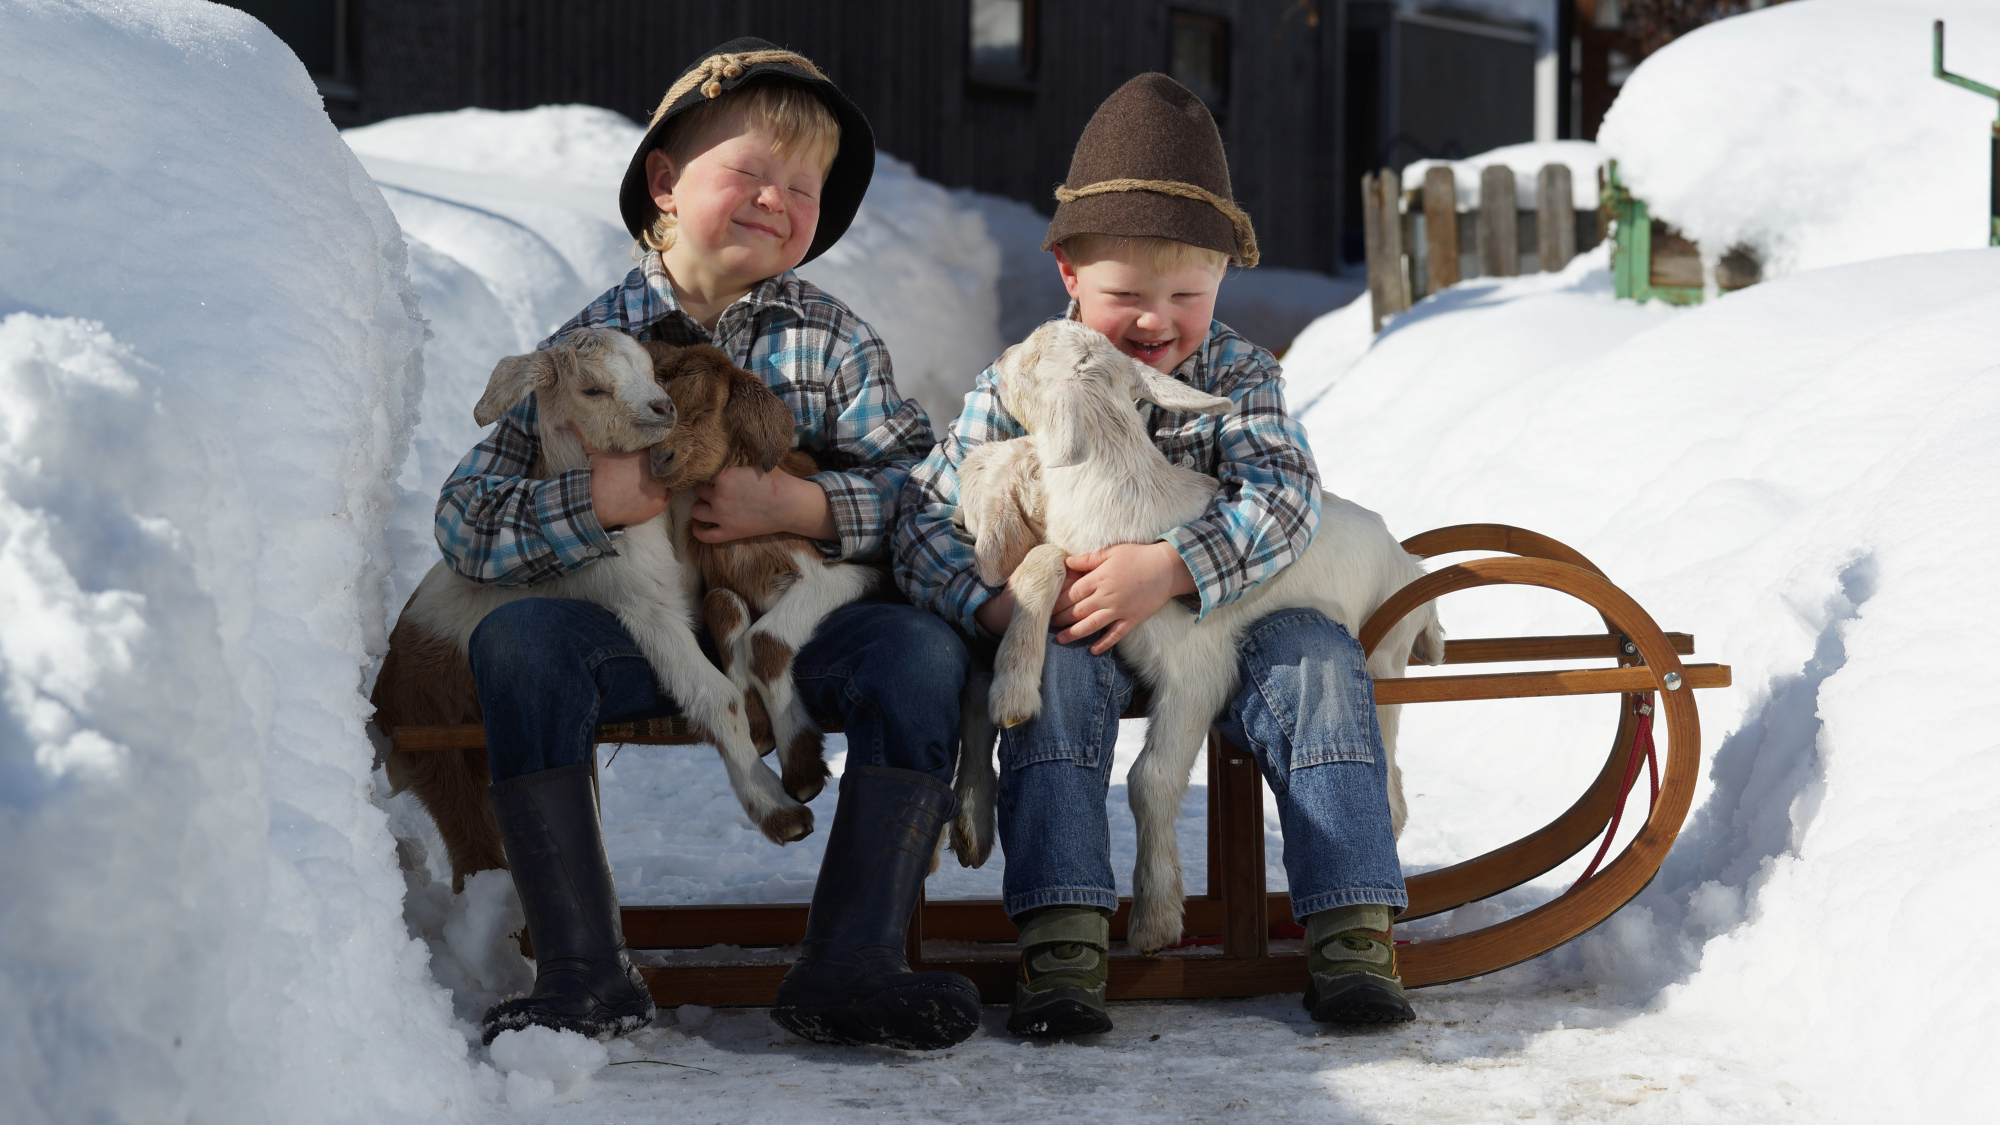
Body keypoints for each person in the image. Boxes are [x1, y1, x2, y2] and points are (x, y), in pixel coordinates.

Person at [437, 40, 981, 1050]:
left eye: (804, 186)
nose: (777, 197)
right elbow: (465, 521)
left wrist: (805, 510)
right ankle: (583, 971)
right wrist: (596, 502)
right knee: (516, 644)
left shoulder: (831, 341)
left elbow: (929, 496)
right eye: (751, 170)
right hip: (638, 639)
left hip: (790, 630)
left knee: (920, 653)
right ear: (663, 183)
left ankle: (852, 962)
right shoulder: (593, 345)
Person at [895, 73, 1414, 1039]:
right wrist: (997, 609)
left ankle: (1352, 928)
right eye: (1125, 295)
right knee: (1051, 679)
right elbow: (931, 518)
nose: (1156, 322)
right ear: (1070, 278)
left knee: (1321, 664)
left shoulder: (1239, 376)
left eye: (1190, 293)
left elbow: (1285, 499)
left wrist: (1173, 566)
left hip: (1232, 620)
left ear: (1223, 281)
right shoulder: (1025, 379)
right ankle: (1064, 931)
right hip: (1079, 629)